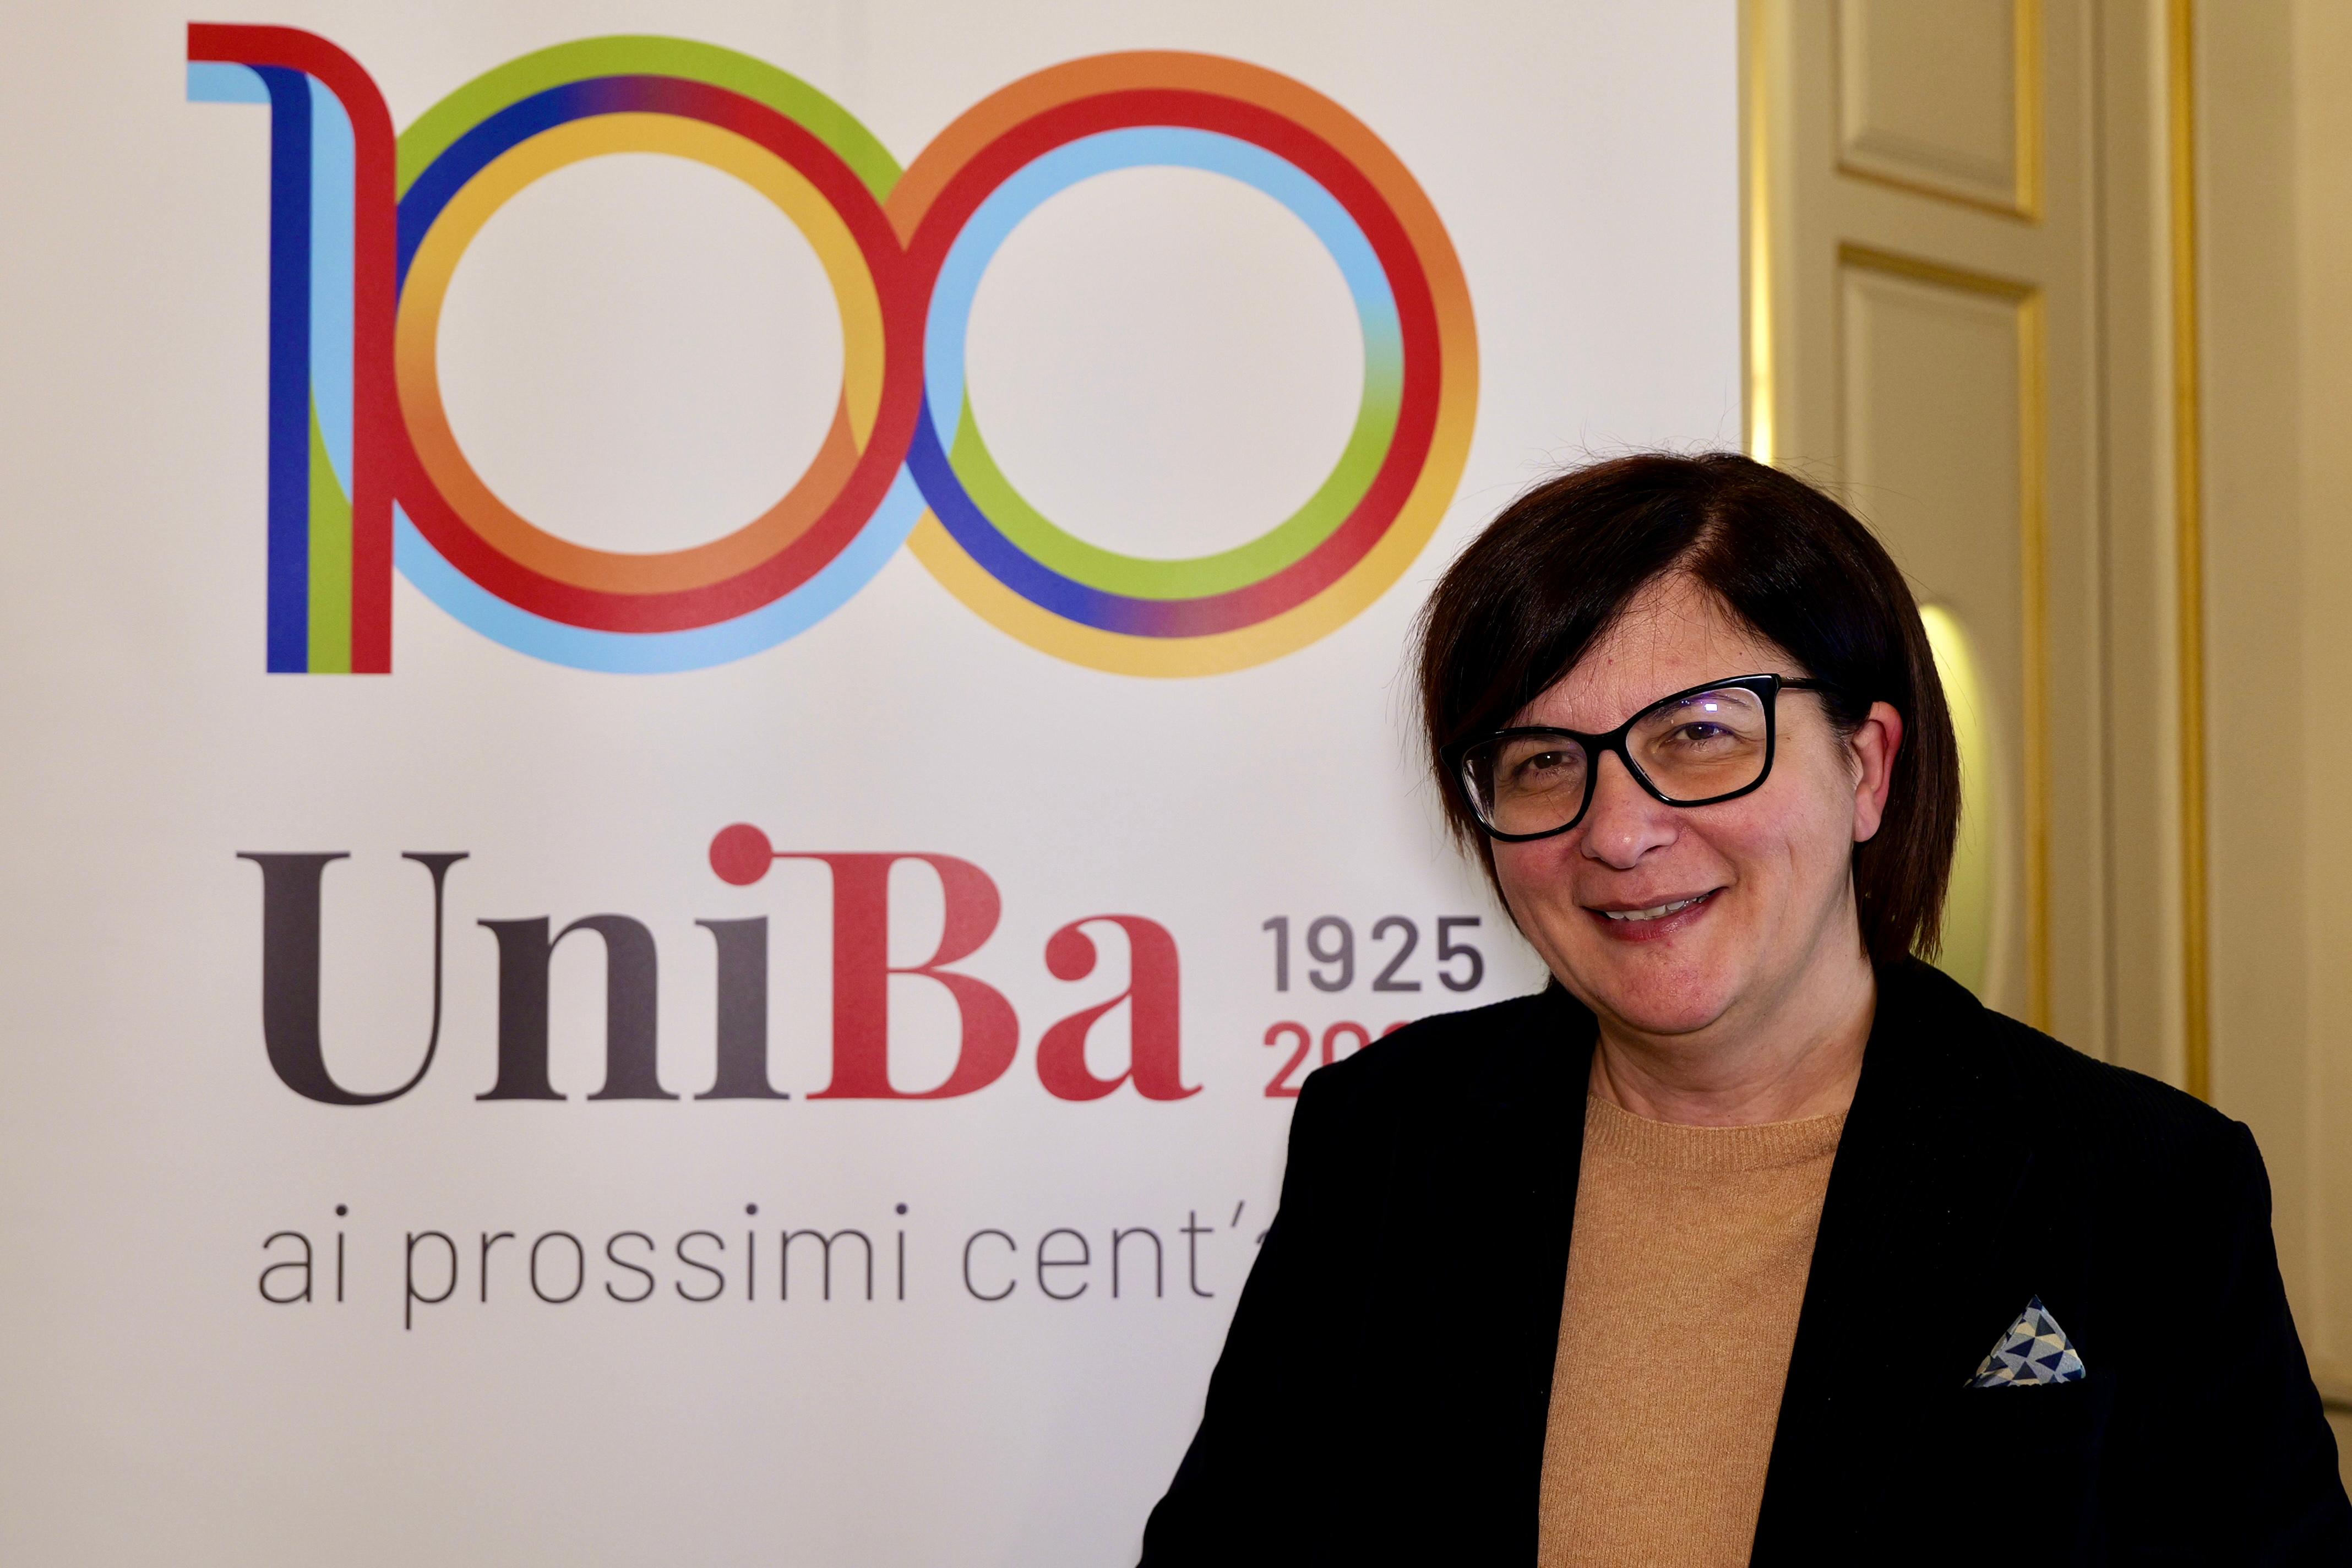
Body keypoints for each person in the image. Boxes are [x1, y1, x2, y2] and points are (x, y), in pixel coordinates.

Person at [1138, 453, 2352, 1566]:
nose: (1620, 831)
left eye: (1700, 734)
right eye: (1544, 759)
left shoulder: (2140, 1188)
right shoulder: (1388, 1135)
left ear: (1867, 767)